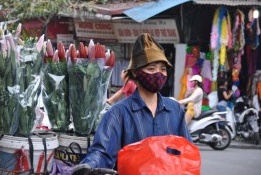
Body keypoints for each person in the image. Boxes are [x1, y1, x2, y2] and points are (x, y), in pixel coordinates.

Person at [72, 33, 191, 174]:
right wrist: (89, 166)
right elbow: (102, 151)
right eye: (151, 69)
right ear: (135, 72)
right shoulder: (118, 113)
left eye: (163, 69)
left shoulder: (175, 110)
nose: (158, 74)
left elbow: (186, 151)